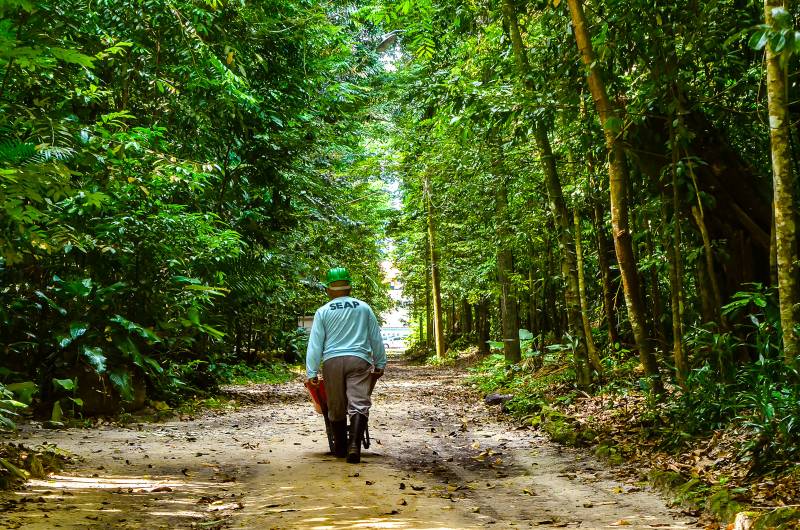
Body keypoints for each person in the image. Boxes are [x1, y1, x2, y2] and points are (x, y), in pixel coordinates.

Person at [305, 267, 387, 463]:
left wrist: (312, 371)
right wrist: (380, 363)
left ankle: (340, 447)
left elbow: (316, 343)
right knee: (359, 402)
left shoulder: (323, 311)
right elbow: (375, 338)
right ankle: (354, 446)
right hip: (359, 360)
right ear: (349, 288)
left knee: (336, 404)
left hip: (332, 361)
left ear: (329, 290)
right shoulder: (363, 308)